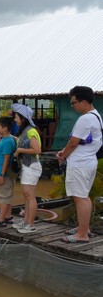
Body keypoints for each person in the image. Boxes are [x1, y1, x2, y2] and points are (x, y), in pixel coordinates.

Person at [57, 86, 102, 243]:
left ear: (83, 102)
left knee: (80, 198)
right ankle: (84, 228)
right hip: (88, 161)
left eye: (73, 102)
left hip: (80, 164)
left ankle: (81, 235)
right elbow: (80, 141)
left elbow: (74, 142)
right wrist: (64, 151)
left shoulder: (85, 119)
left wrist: (64, 156)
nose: (72, 105)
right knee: (84, 196)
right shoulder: (95, 116)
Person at [10, 103, 42, 234]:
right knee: (27, 195)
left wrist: (19, 150)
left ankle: (30, 224)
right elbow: (23, 141)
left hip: (31, 166)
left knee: (29, 196)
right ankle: (26, 221)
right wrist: (11, 137)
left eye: (16, 116)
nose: (14, 119)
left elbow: (37, 149)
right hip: (26, 166)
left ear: (22, 118)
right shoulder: (25, 131)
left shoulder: (31, 130)